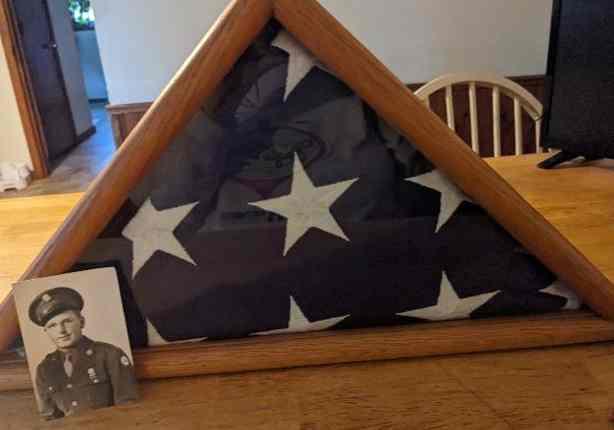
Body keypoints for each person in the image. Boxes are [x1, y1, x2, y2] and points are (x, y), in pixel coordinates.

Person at [28, 287, 138, 420]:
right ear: (46, 331)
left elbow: (129, 409)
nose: (61, 330)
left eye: (67, 321)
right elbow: (50, 419)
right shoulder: (44, 369)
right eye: (52, 326)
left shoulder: (110, 355)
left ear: (82, 322)